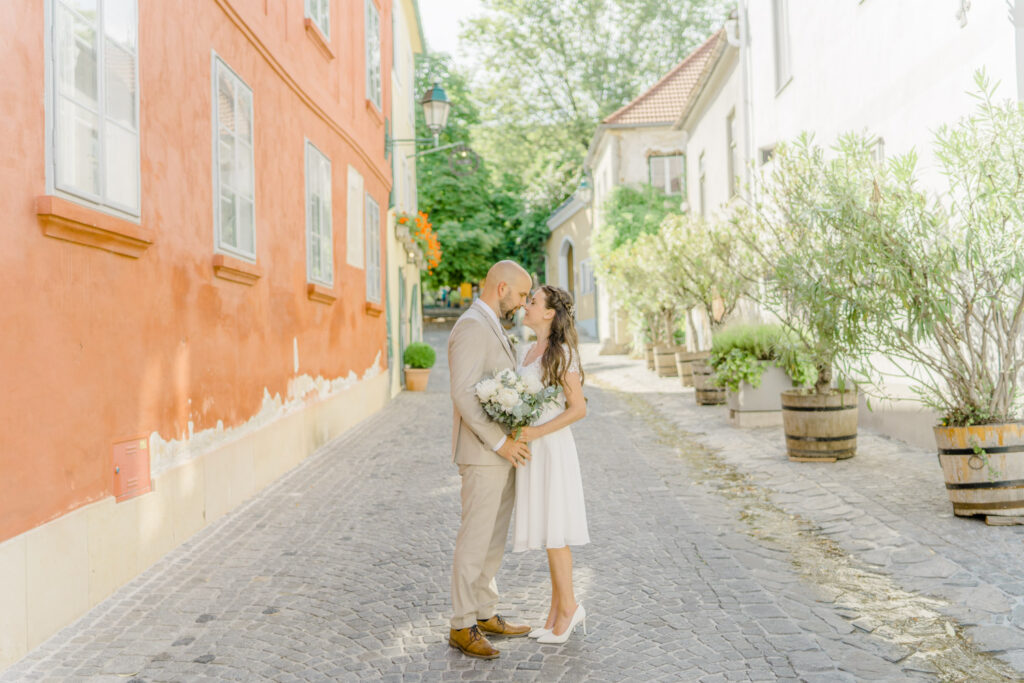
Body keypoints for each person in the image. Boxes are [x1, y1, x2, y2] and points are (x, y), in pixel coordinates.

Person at [447, 260, 535, 659]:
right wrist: (501, 443)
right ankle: (462, 623)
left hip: (502, 451)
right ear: (501, 288)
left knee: (494, 537)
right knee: (475, 537)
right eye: (519, 295)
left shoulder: (494, 324)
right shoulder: (470, 326)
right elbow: (464, 394)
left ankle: (484, 611)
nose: (521, 304)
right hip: (484, 452)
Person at [513, 285, 590, 644]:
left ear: (548, 313)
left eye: (532, 301)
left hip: (553, 447)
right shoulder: (528, 350)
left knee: (556, 532)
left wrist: (537, 431)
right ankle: (554, 612)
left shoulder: (562, 353)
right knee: (548, 531)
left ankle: (570, 609)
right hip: (533, 450)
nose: (525, 305)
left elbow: (579, 408)